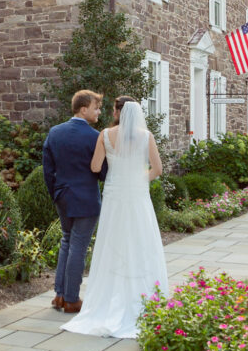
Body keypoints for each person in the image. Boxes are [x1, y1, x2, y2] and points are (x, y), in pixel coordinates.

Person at [61, 100, 169, 338]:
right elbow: (158, 170)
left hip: (114, 194)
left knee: (112, 242)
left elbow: (95, 166)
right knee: (140, 241)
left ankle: (108, 298)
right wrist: (139, 178)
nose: (110, 112)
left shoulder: (105, 135)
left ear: (119, 112)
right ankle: (141, 295)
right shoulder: (146, 136)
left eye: (112, 109)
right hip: (137, 195)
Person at [42, 90, 108, 314]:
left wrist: (55, 194)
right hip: (86, 199)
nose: (99, 111)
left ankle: (59, 295)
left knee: (67, 242)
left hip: (62, 196)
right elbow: (102, 172)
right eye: (96, 107)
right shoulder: (94, 137)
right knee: (78, 246)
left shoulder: (55, 132)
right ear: (83, 109)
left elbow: (48, 170)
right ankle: (71, 299)